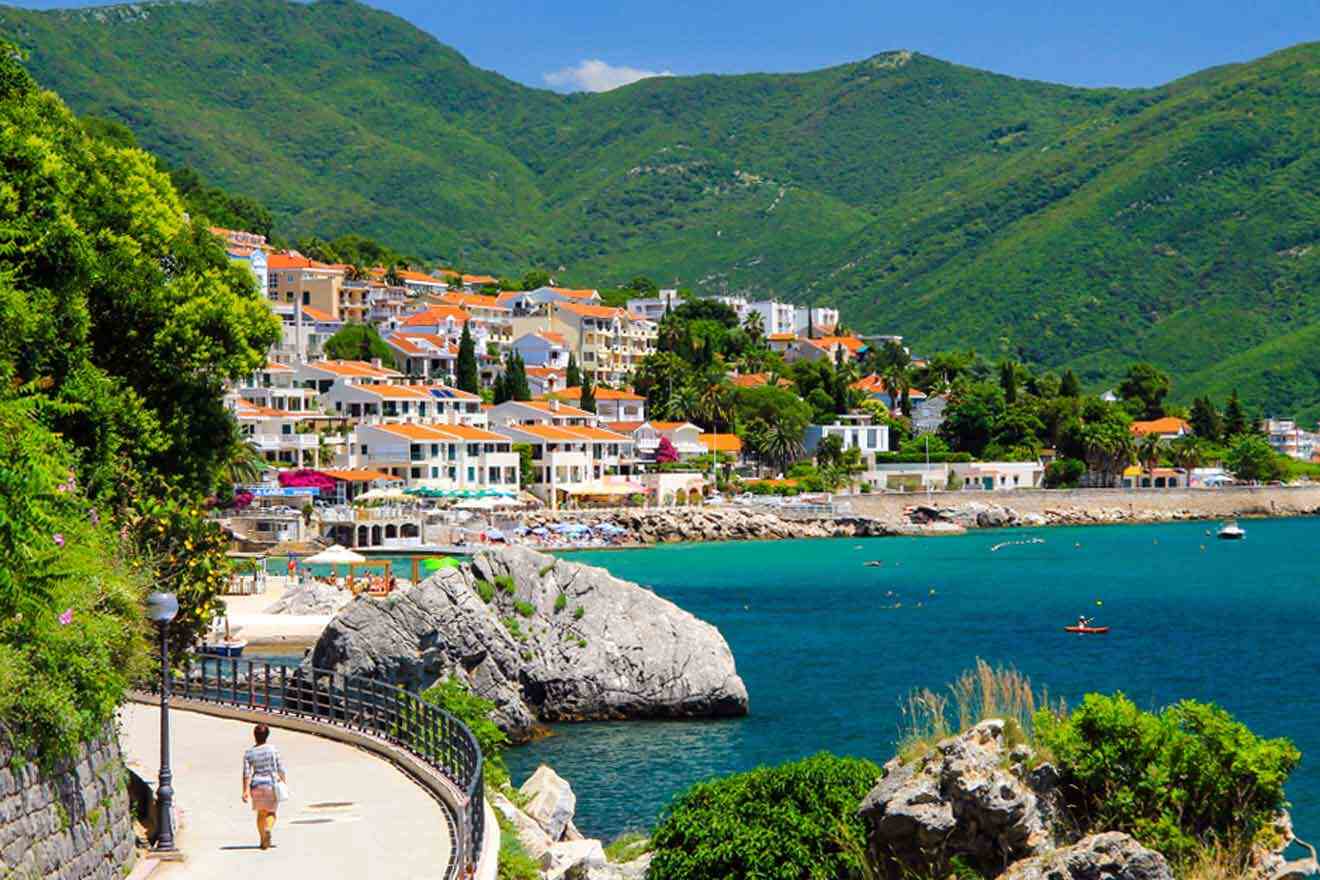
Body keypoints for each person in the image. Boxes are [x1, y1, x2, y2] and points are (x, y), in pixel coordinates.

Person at [241, 723, 287, 850]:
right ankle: (268, 828)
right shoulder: (273, 750)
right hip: (270, 784)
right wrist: (283, 781)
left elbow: (246, 773)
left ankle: (262, 841)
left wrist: (245, 791)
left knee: (261, 814)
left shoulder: (249, 753)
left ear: (254, 736)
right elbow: (280, 768)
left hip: (256, 785)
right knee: (271, 812)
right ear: (267, 735)